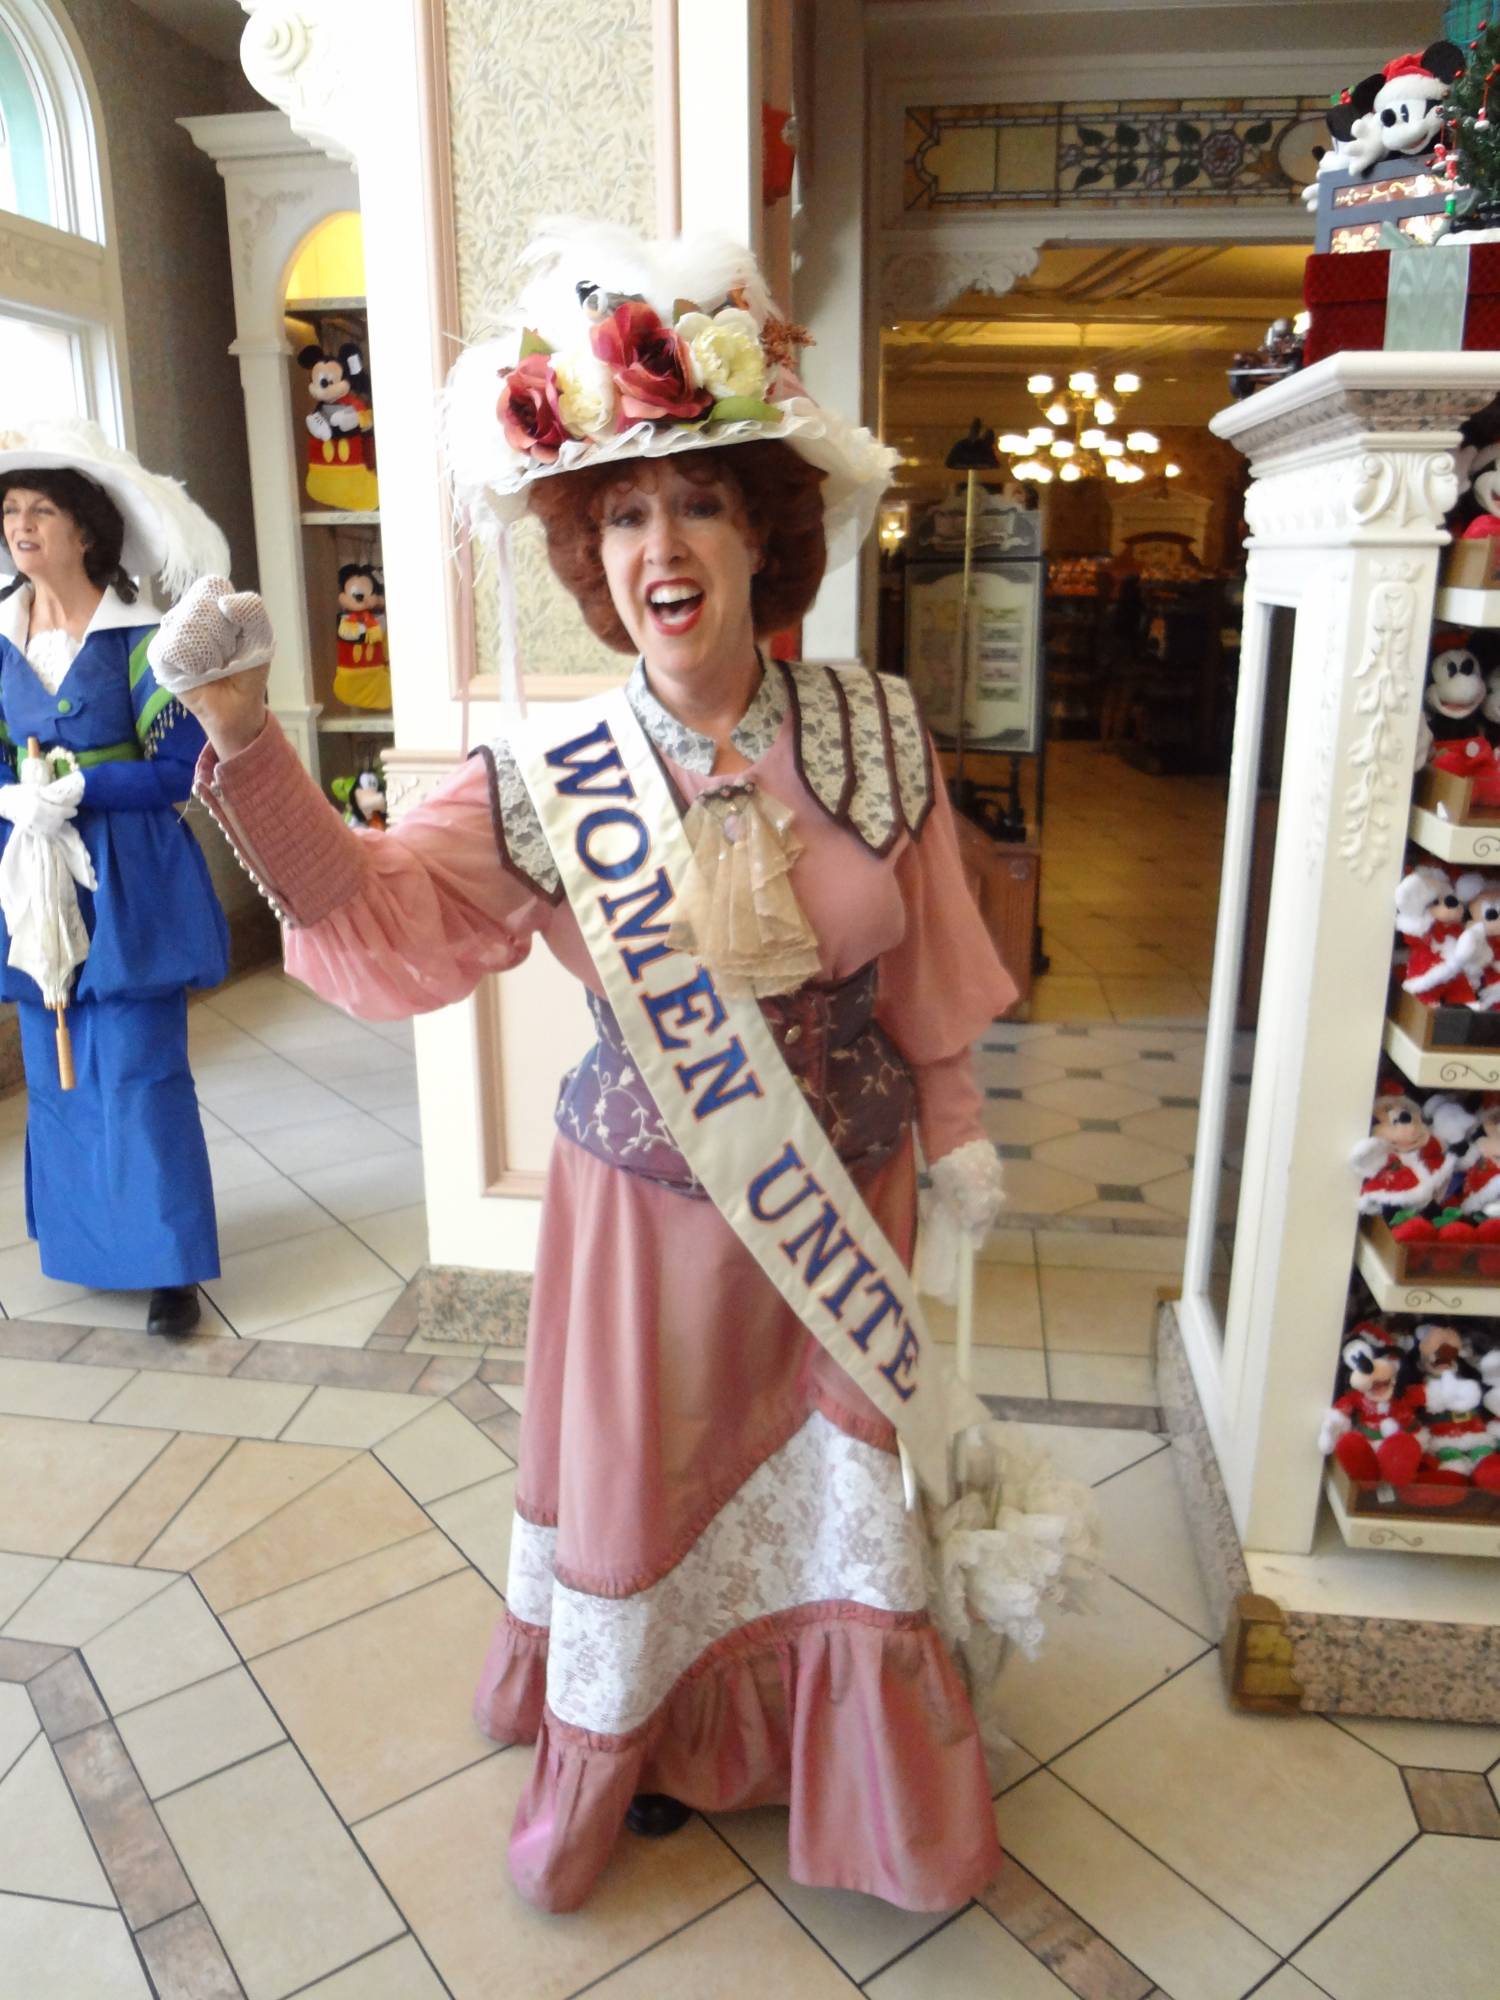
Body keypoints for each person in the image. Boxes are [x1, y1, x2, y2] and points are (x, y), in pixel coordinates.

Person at [162, 224, 1037, 1915]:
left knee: (846, 1494)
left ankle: (836, 1763)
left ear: (763, 532)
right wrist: (250, 737)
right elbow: (365, 914)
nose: (661, 543)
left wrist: (961, 1130)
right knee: (660, 1501)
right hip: (645, 1223)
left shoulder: (873, 726)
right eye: (622, 515)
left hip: (842, 1199)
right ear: (588, 555)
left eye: (697, 501)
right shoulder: (550, 773)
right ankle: (642, 1740)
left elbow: (925, 953)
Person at [0, 421, 232, 1336]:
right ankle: (87, 1246)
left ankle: (171, 1267)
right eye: (11, 511)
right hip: (35, 879)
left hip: (134, 879)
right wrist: (19, 801)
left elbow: (185, 772)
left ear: (85, 528)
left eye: (42, 510)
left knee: (139, 1069)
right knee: (57, 1075)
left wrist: (85, 784)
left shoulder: (146, 642)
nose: (21, 527)